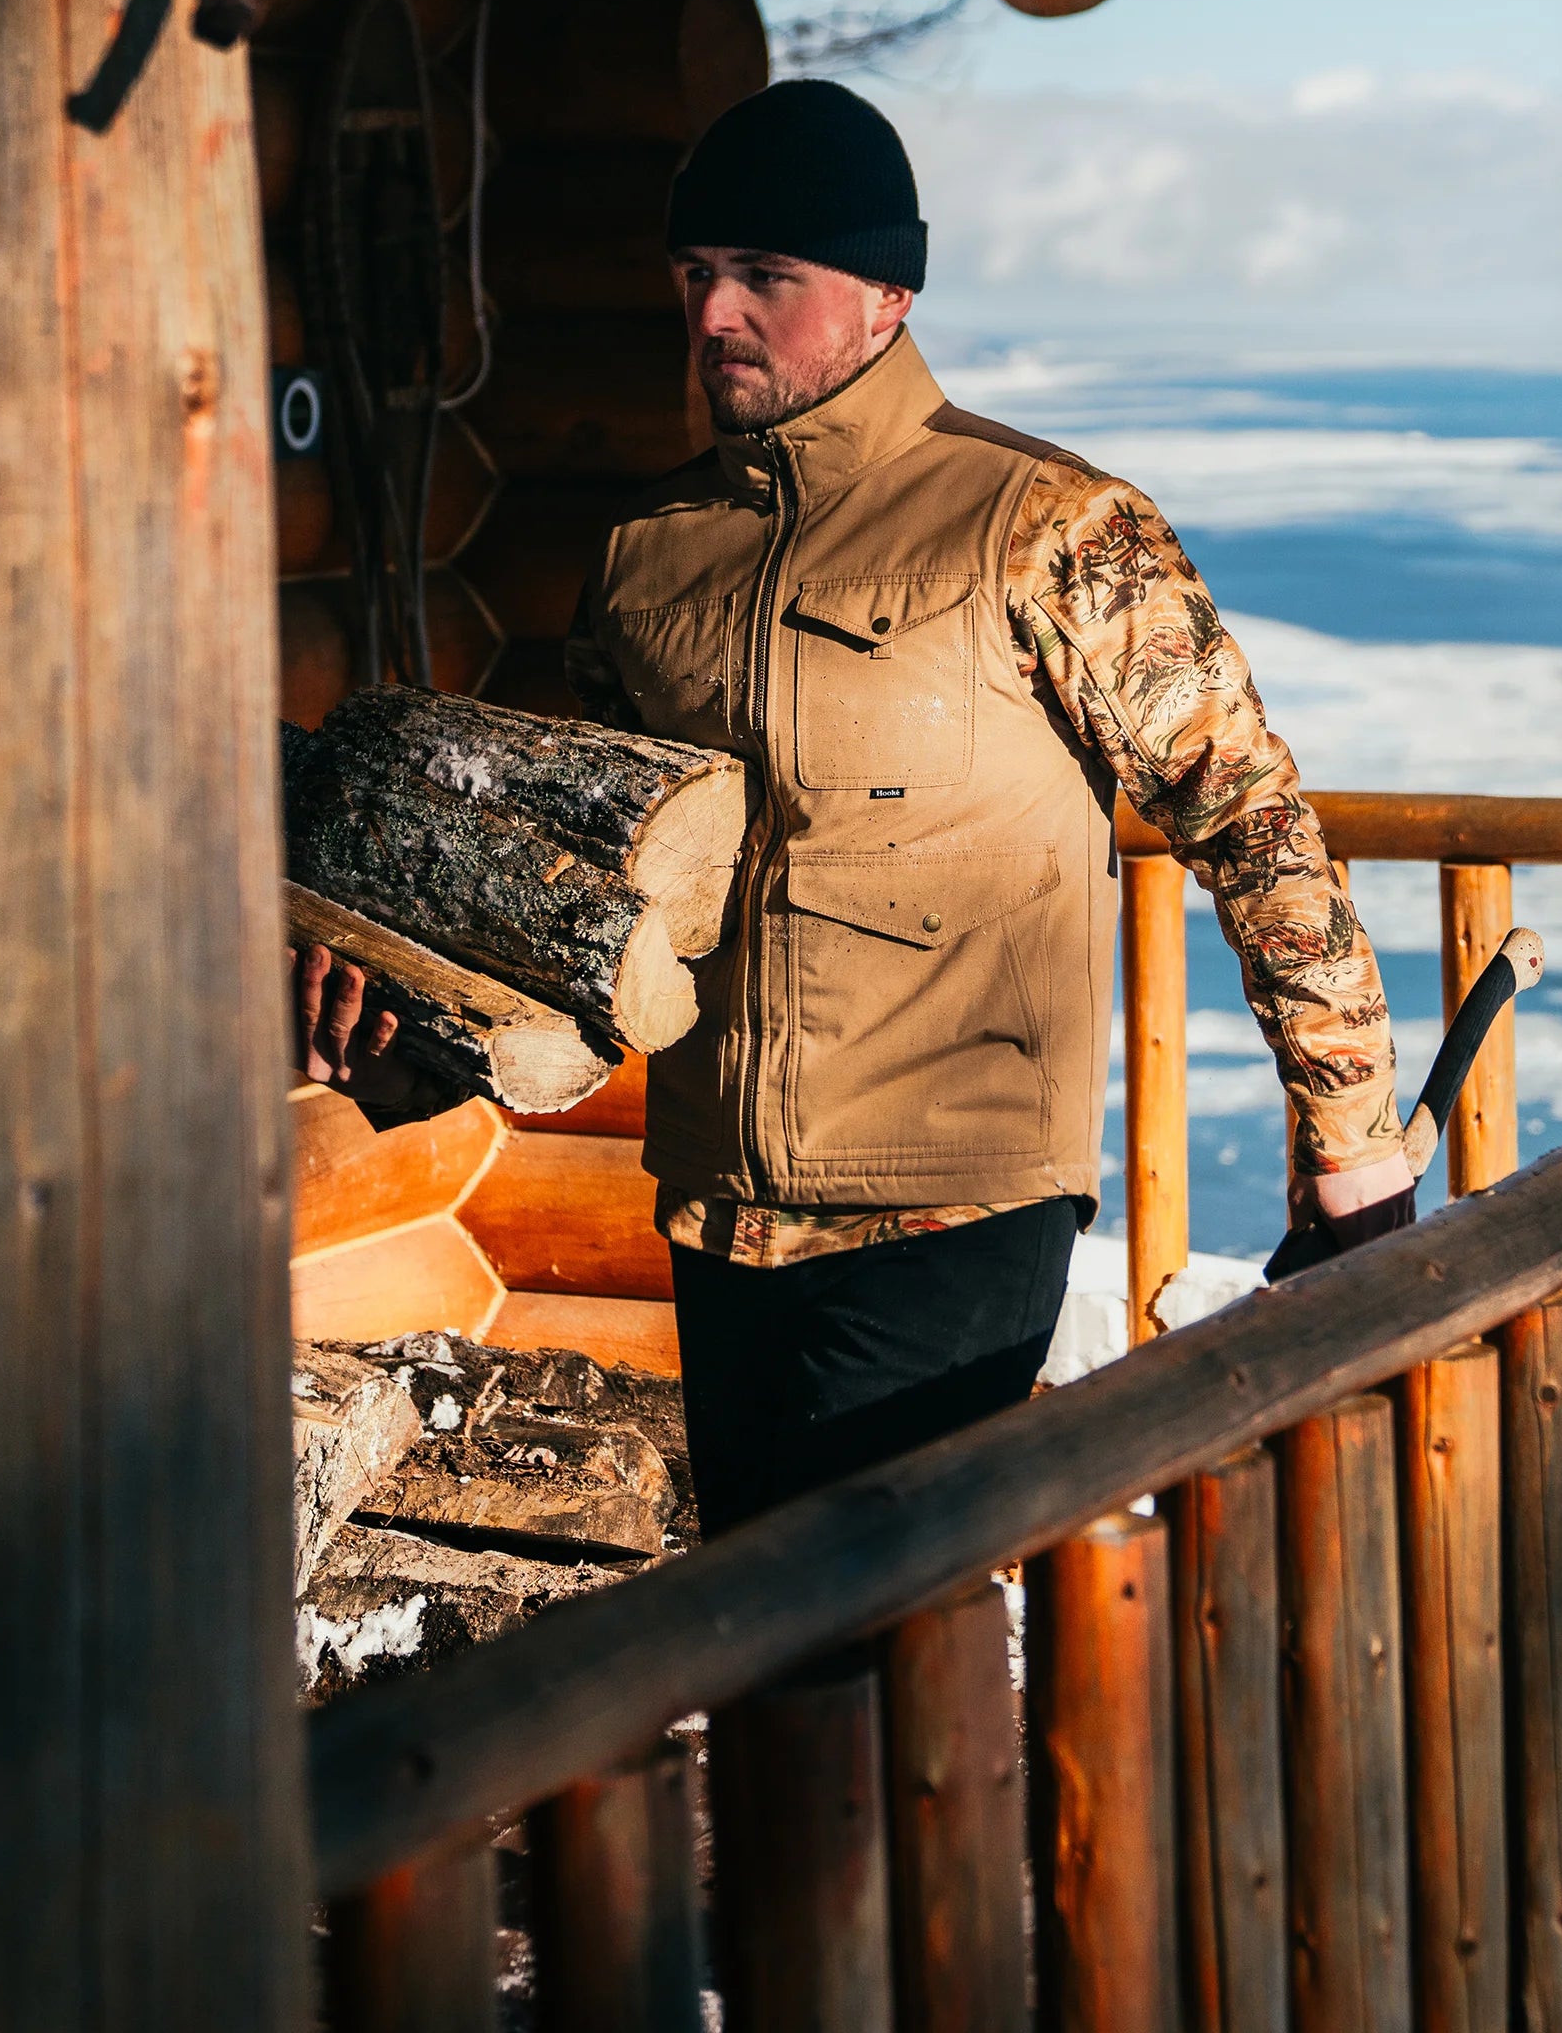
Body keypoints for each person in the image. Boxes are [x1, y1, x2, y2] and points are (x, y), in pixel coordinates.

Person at [291, 78, 1412, 1538]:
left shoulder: (1049, 526)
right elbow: (580, 908)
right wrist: (403, 1050)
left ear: (889, 293)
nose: (714, 316)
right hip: (718, 1214)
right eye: (697, 275)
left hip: (953, 1208)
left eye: (767, 275)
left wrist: (1354, 1142)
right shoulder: (648, 556)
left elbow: (1249, 820)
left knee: (884, 1653)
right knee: (773, 1666)